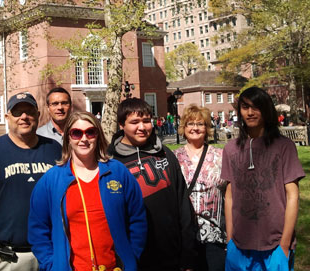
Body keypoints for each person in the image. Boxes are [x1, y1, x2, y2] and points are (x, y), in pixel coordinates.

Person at [29, 111, 147, 271]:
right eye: (76, 133)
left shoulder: (117, 172)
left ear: (98, 136)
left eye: (90, 132)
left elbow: (137, 218)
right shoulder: (51, 180)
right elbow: (38, 229)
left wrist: (131, 257)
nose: (84, 139)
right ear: (68, 138)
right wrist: (52, 265)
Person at [0, 92, 62, 271]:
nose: (24, 117)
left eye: (29, 111)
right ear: (7, 117)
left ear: (38, 115)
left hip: (51, 253)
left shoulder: (54, 149)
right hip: (5, 258)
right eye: (17, 112)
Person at [221, 86, 305, 271]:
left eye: (256, 107)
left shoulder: (284, 146)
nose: (250, 112)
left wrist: (284, 245)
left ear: (266, 110)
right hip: (239, 245)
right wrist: (230, 239)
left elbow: (293, 195)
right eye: (245, 107)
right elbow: (229, 195)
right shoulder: (230, 149)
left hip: (275, 244)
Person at [108, 98, 197, 271]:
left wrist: (189, 255)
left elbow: (184, 205)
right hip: (134, 259)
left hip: (172, 256)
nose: (142, 127)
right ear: (121, 124)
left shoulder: (165, 154)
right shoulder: (111, 163)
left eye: (146, 121)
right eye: (134, 122)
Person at [174, 104, 227, 271]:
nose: (195, 128)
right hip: (185, 237)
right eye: (190, 123)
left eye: (200, 124)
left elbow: (232, 196)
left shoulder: (220, 156)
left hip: (215, 235)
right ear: (184, 127)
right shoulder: (174, 157)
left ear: (207, 128)